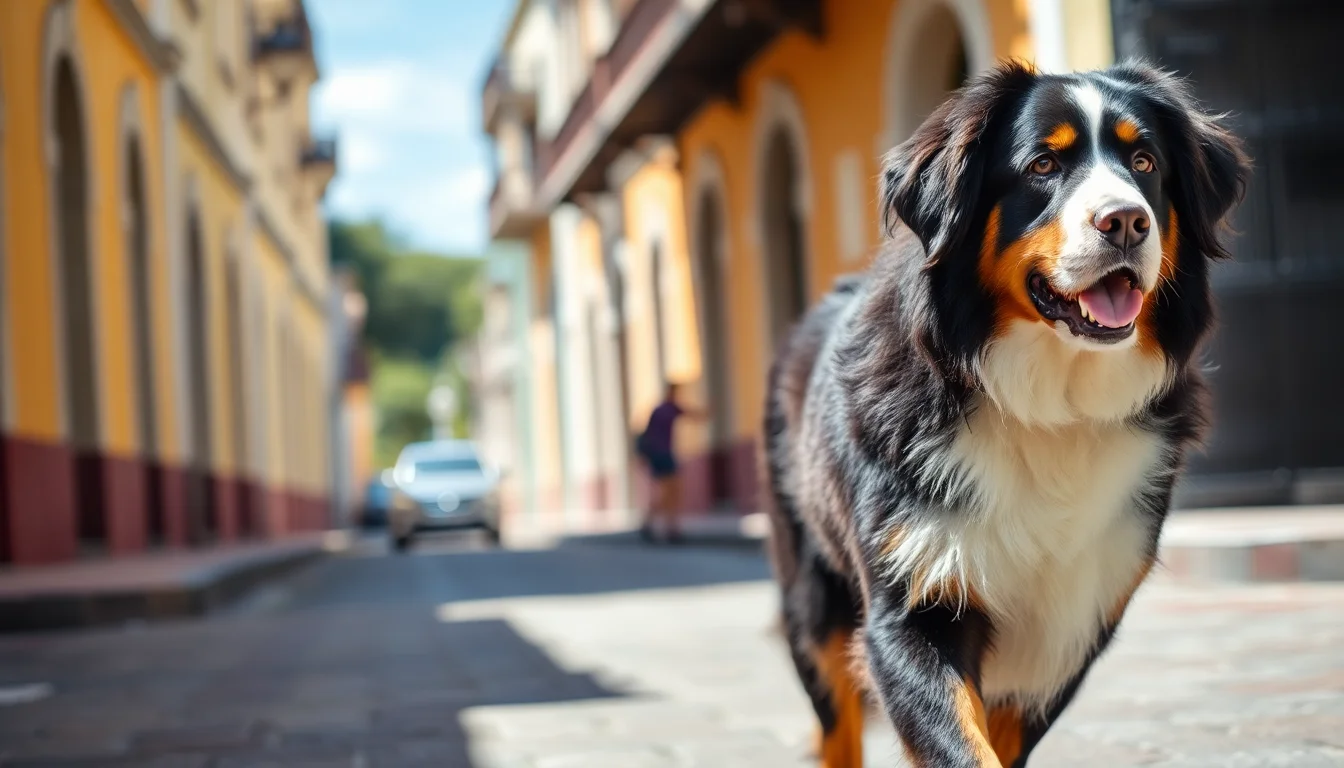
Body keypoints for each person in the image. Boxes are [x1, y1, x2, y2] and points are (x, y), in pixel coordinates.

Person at [636, 383, 708, 543]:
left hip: (660, 454)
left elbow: (695, 416)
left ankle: (657, 525)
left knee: (669, 492)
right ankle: (666, 527)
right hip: (662, 454)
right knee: (671, 491)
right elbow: (696, 417)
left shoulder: (661, 409)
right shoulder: (667, 409)